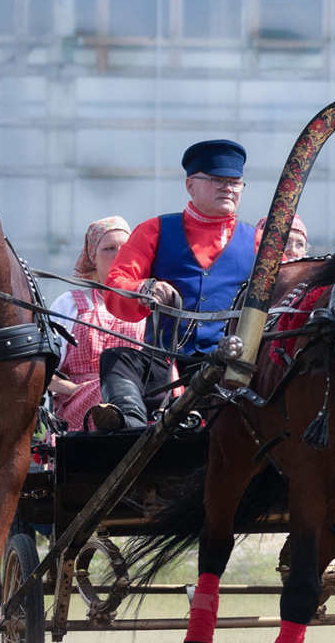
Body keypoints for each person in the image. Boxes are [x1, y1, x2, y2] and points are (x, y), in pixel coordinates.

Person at [91, 139, 258, 431]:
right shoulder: (153, 230)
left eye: (235, 182)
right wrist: (145, 289)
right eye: (217, 180)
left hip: (231, 368)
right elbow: (116, 285)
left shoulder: (259, 242)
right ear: (190, 185)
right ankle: (131, 430)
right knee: (116, 359)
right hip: (165, 367)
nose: (228, 188)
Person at [47, 217, 148, 433]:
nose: (118, 254)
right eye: (109, 248)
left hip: (140, 398)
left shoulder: (148, 304)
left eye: (125, 248)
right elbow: (42, 371)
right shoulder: (70, 304)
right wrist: (74, 389)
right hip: (80, 402)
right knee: (106, 392)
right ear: (92, 257)